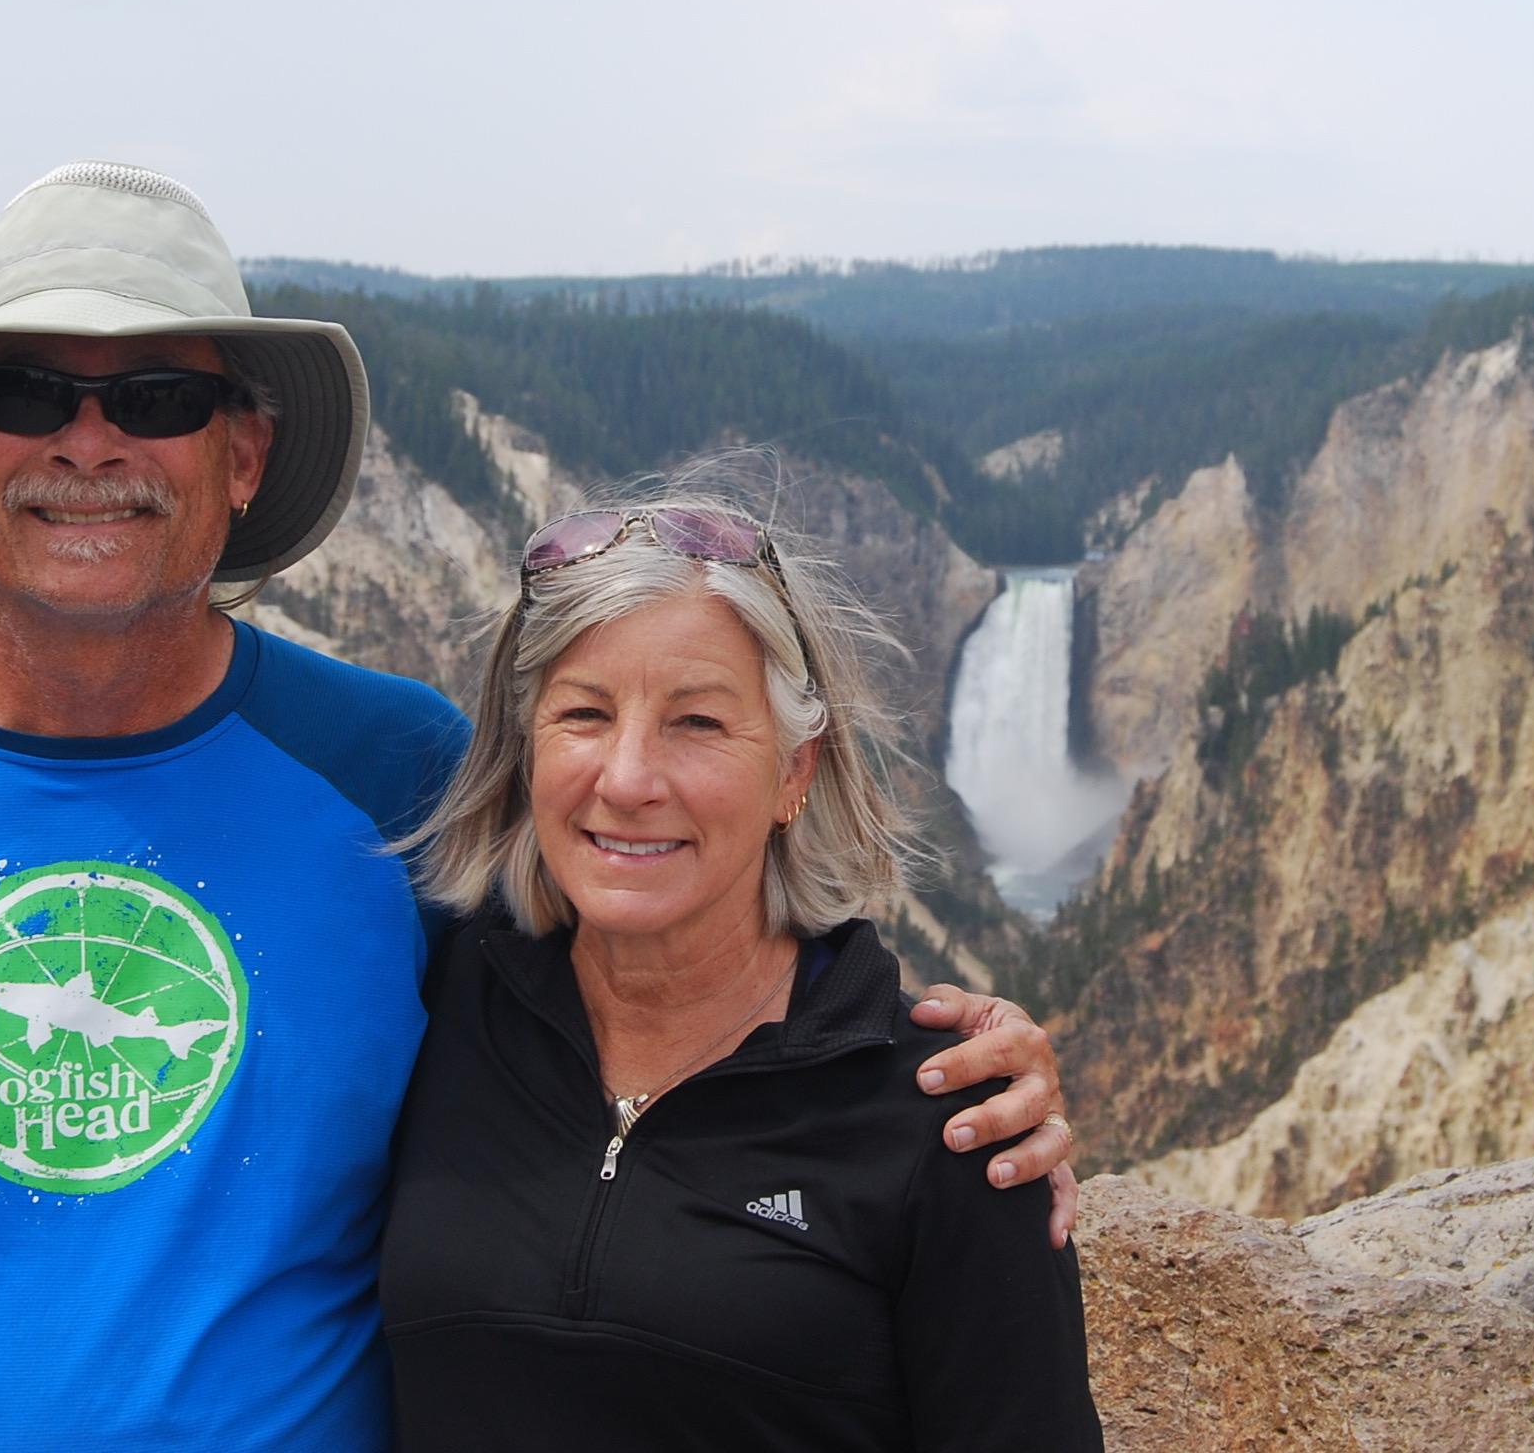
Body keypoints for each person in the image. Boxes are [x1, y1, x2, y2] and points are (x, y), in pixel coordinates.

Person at [0, 163, 1075, 1453]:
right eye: (27, 392)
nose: (89, 444)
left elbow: (649, 974)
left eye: (157, 398)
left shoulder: (398, 779)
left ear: (243, 455)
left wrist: (929, 1078)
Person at [378, 493, 1104, 1450]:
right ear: (525, 751)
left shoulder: (944, 1121)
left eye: (698, 722)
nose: (628, 780)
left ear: (795, 771)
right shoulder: (424, 1003)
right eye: (584, 714)